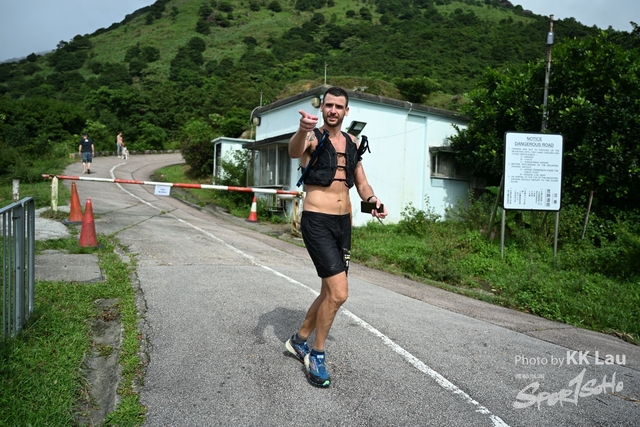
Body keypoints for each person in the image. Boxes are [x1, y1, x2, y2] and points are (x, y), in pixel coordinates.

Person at [285, 86, 387, 387]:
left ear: (346, 111)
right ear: (322, 108)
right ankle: (316, 354)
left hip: (344, 223)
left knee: (329, 291)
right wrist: (302, 129)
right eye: (328, 105)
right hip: (317, 220)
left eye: (338, 106)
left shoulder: (353, 142)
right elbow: (294, 151)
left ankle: (299, 340)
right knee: (340, 293)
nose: (333, 110)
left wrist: (373, 200)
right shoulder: (312, 137)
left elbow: (362, 183)